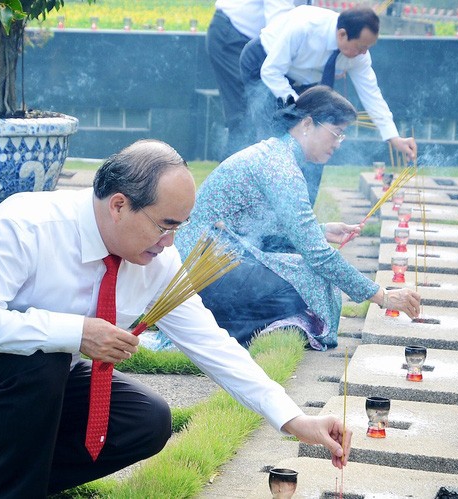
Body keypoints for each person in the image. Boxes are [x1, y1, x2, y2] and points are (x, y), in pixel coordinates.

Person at [0, 139, 351, 498]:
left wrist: (295, 418)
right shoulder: (28, 224)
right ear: (119, 204)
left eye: (180, 226)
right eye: (165, 225)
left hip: (36, 385)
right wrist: (75, 332)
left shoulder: (157, 260)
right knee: (46, 356)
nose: (170, 241)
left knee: (144, 419)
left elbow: (211, 344)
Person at [172, 86, 421, 350]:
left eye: (342, 136)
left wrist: (321, 229)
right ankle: (224, 328)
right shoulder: (281, 169)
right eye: (335, 133)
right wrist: (382, 296)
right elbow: (319, 255)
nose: (337, 143)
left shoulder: (276, 155)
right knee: (307, 281)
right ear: (307, 124)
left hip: (210, 257)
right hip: (200, 269)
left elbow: (258, 224)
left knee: (304, 274)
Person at [240, 5, 417, 204]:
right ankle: (261, 209)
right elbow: (271, 71)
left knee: (317, 141)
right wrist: (300, 107)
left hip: (304, 82)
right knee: (275, 142)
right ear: (342, 34)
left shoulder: (358, 54)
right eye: (361, 47)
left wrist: (393, 137)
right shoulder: (304, 28)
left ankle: (303, 212)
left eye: (368, 48)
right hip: (264, 64)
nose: (363, 53)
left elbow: (372, 94)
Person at [206, 0, 295, 158]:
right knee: (246, 117)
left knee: (259, 116)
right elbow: (282, 23)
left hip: (259, 45)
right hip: (233, 36)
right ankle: (231, 181)